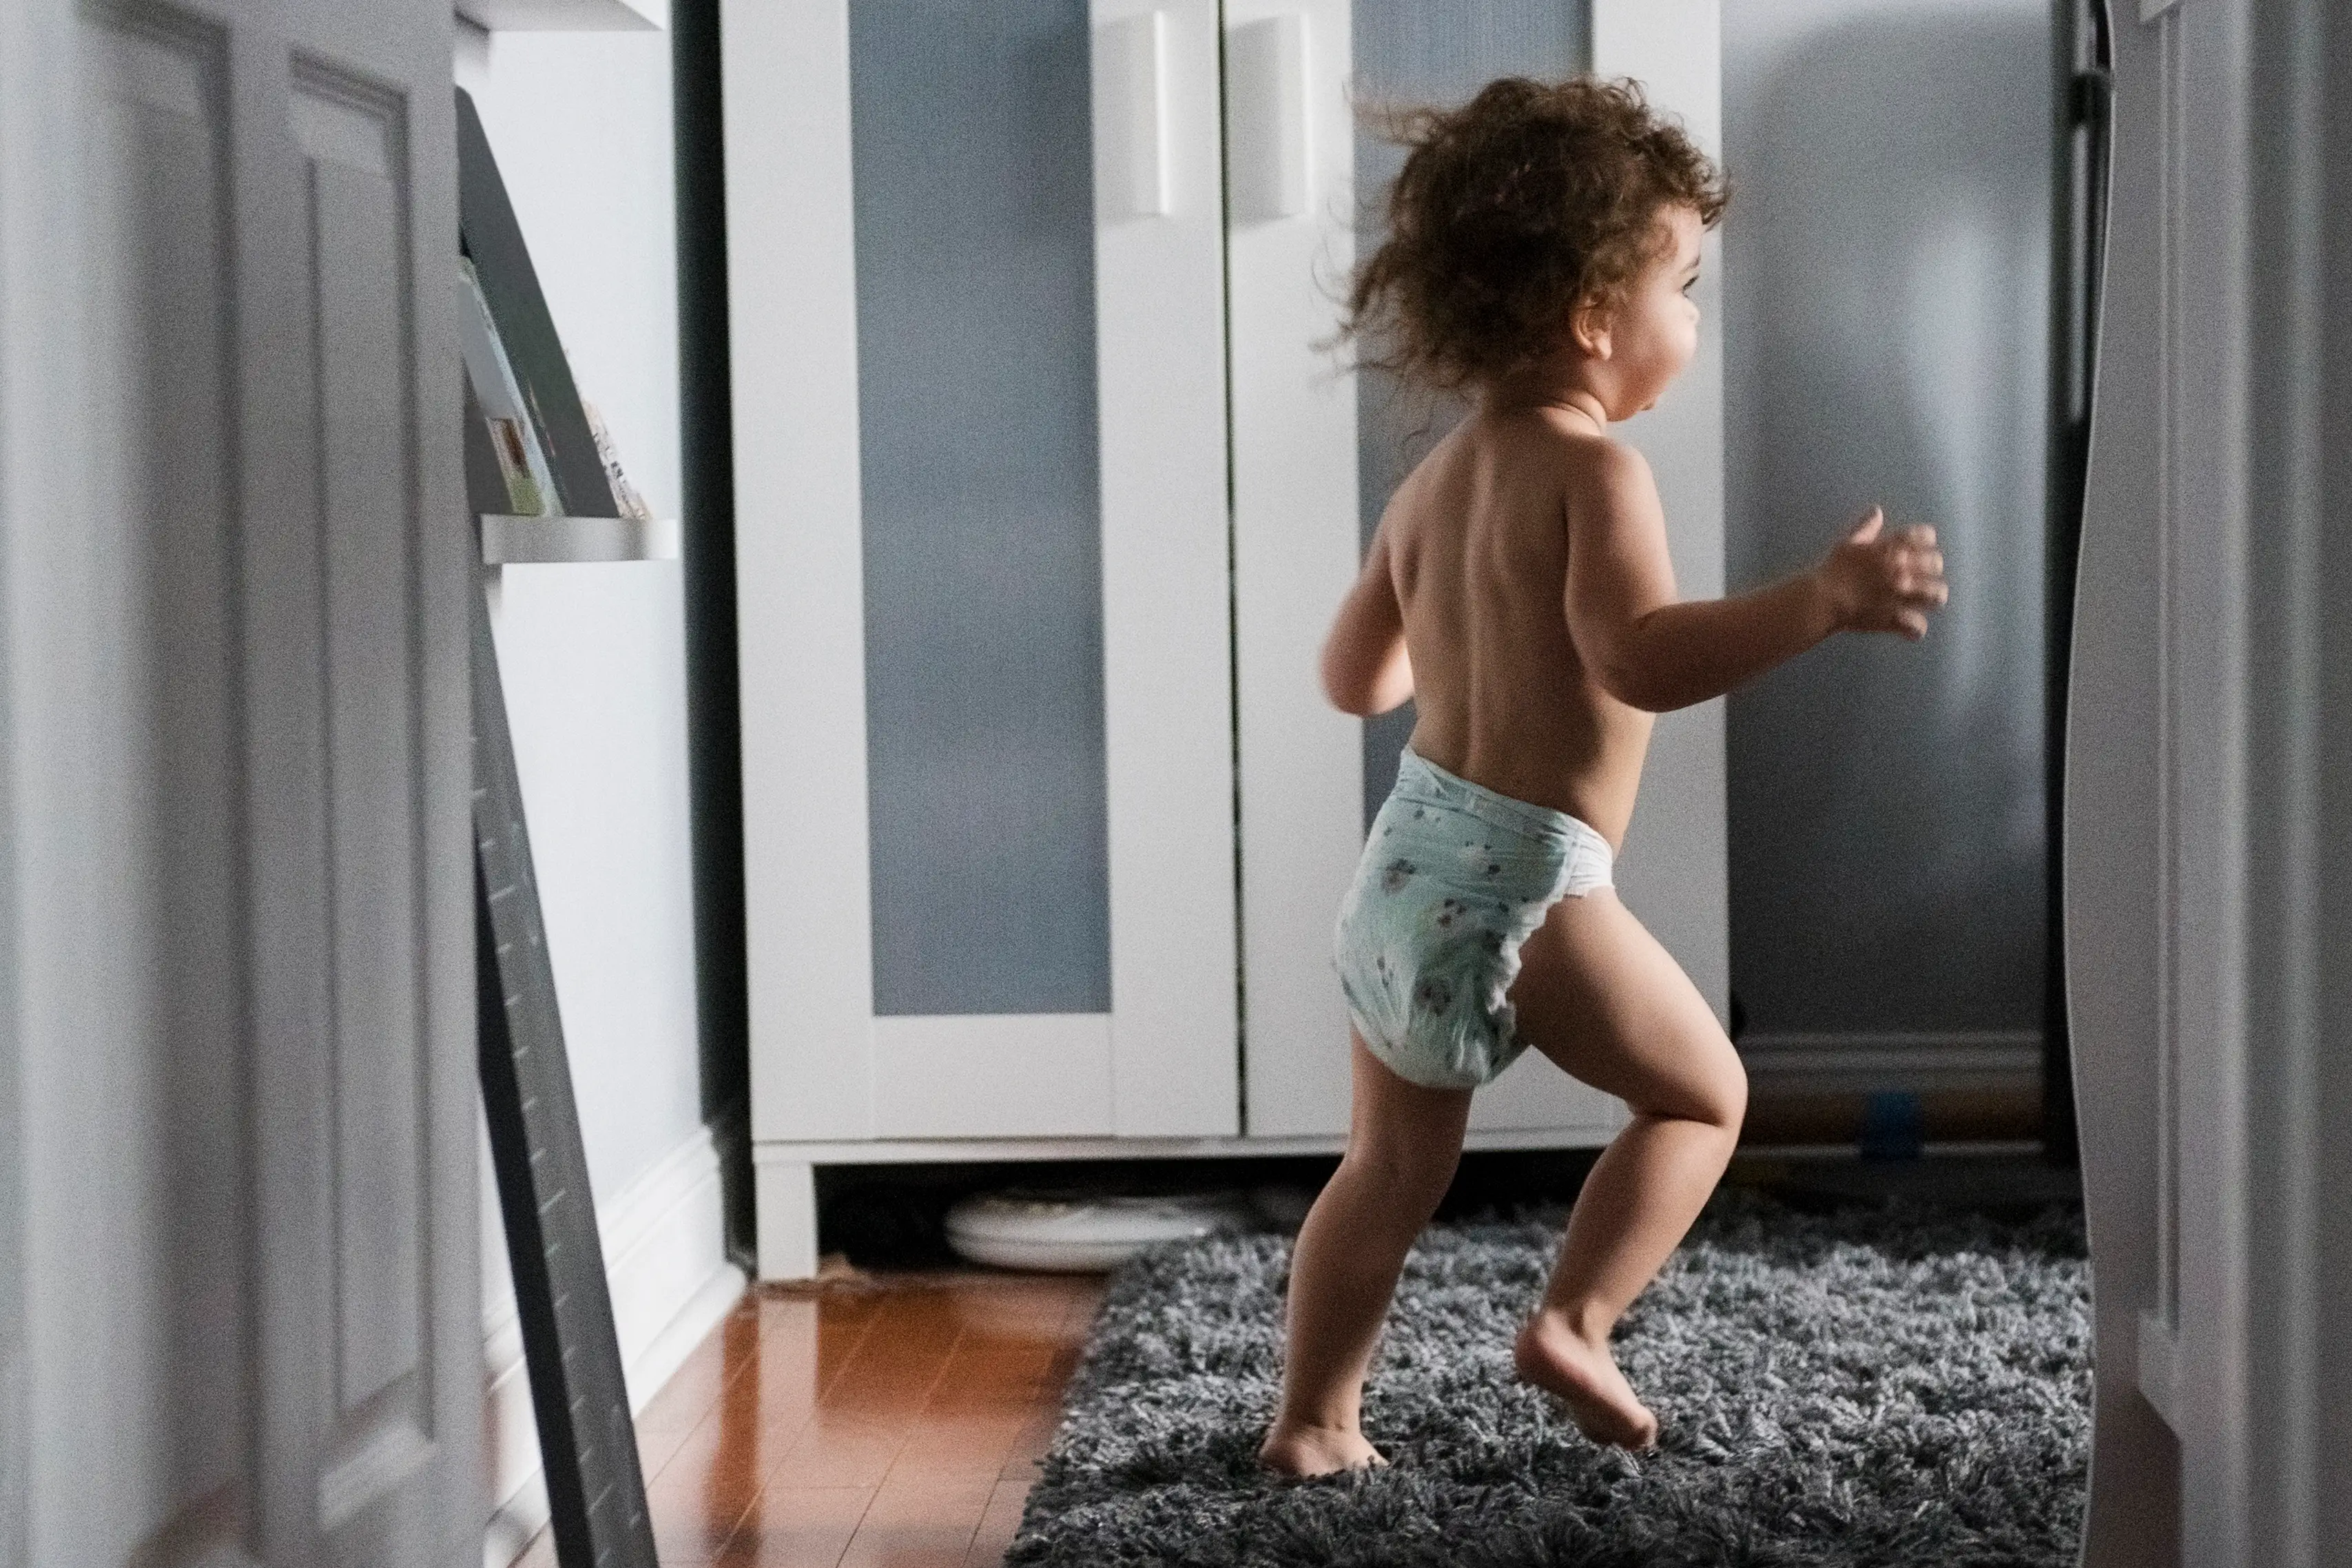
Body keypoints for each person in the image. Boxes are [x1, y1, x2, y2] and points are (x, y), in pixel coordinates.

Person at [1257, 76, 1950, 1477]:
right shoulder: (1599, 476)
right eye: (1681, 286)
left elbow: (1354, 680)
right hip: (1526, 883)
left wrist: (1451, 640)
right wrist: (1816, 600)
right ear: (1593, 316)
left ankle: (1314, 1418)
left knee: (1385, 1173)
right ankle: (1575, 1316)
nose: (1692, 320)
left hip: (1402, 871)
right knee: (1701, 1098)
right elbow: (1636, 656)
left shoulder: (1431, 486)